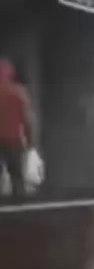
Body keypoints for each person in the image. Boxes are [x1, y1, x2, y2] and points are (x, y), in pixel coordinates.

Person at [0, 59, 34, 199]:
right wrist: (29, 141)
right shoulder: (19, 93)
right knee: (17, 180)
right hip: (14, 142)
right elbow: (27, 120)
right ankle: (19, 213)